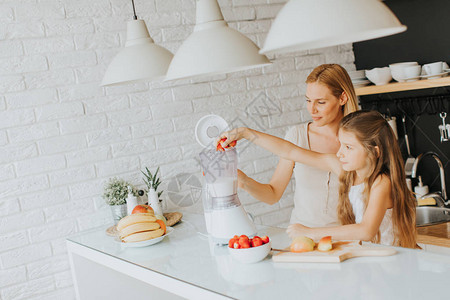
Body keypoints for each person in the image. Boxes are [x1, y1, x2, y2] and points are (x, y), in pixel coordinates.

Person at [218, 111, 417, 248]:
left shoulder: (382, 183)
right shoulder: (347, 172)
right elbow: (290, 150)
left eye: (348, 147)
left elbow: (366, 231)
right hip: (374, 259)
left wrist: (311, 232)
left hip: (394, 259)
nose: (339, 153)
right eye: (341, 145)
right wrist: (245, 133)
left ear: (374, 151)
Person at [235, 64, 358, 228]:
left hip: (349, 236)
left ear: (342, 98)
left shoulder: (359, 140)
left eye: (320, 102)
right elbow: (273, 194)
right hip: (303, 237)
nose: (312, 109)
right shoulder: (297, 136)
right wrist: (244, 181)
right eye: (308, 100)